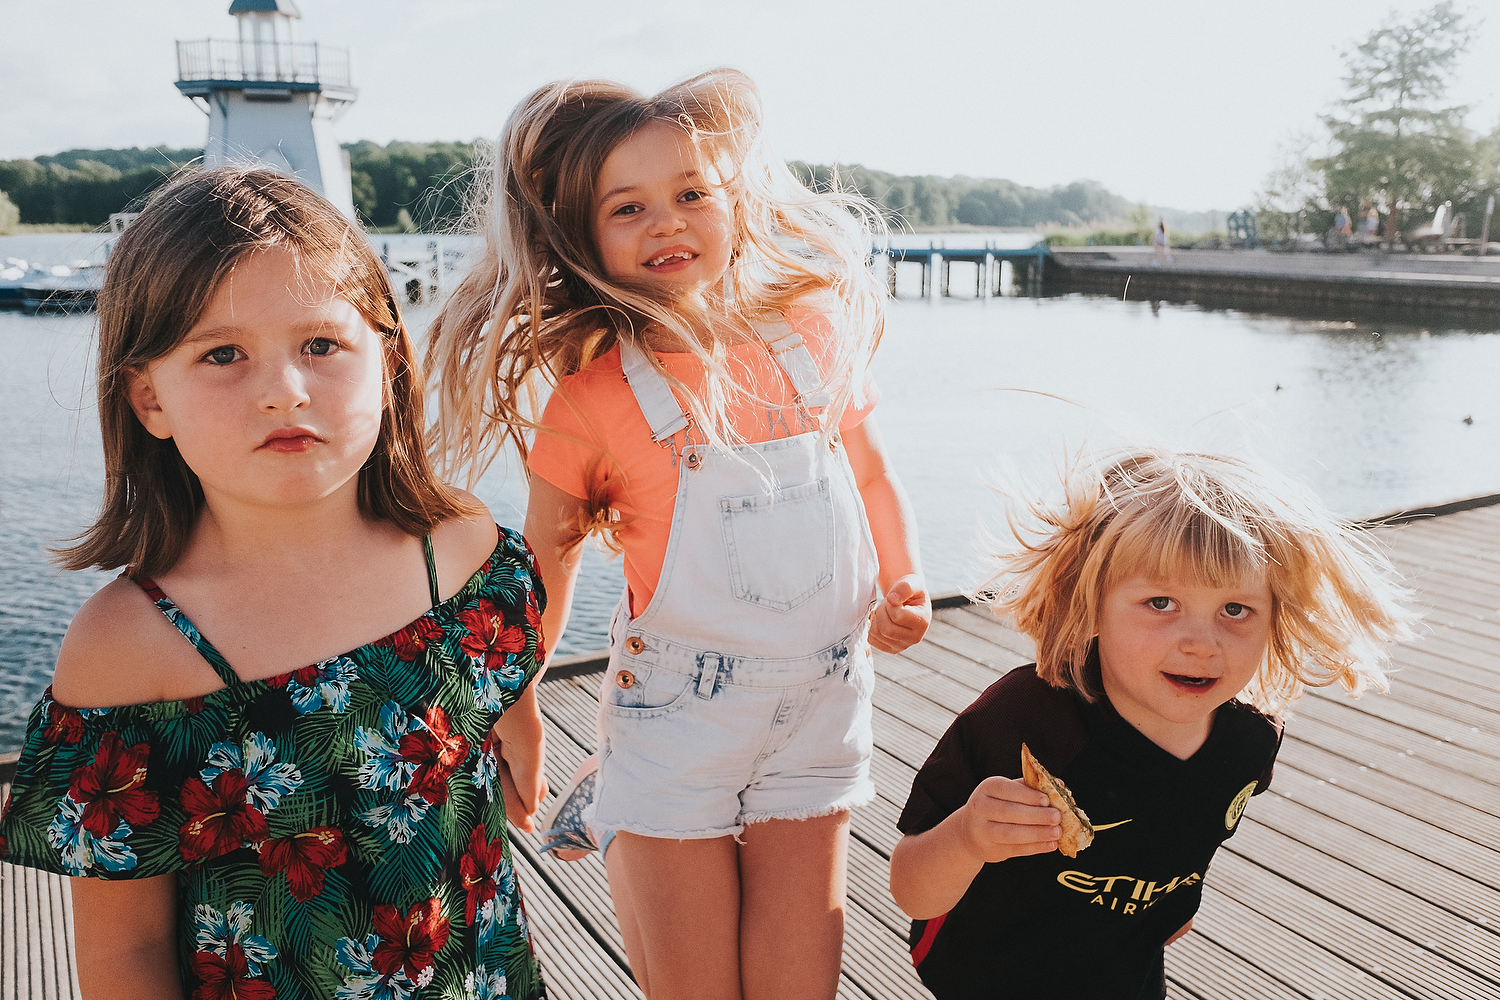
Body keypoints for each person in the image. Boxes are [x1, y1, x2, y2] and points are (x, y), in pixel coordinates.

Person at [425, 69, 931, 1000]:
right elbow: (543, 564)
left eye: (692, 194)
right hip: (675, 722)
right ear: (584, 238)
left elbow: (871, 474)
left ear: (735, 203)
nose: (667, 222)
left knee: (797, 982)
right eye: (630, 208)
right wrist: (519, 700)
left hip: (819, 707)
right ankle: (618, 793)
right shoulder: (590, 401)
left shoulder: (812, 336)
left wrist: (904, 584)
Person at [0, 167, 548, 1000]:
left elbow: (499, 688)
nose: (283, 391)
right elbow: (124, 954)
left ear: (389, 360)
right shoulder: (134, 642)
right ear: (149, 398)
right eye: (223, 353)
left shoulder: (462, 554)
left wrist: (525, 718)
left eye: (321, 345)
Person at [887, 450, 1414, 999]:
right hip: (990, 975)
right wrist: (971, 836)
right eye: (1161, 602)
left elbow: (1183, 854)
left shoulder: (1248, 741)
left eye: (1235, 610)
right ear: (1092, 605)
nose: (1201, 642)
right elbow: (912, 891)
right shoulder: (1026, 719)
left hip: (1123, 974)